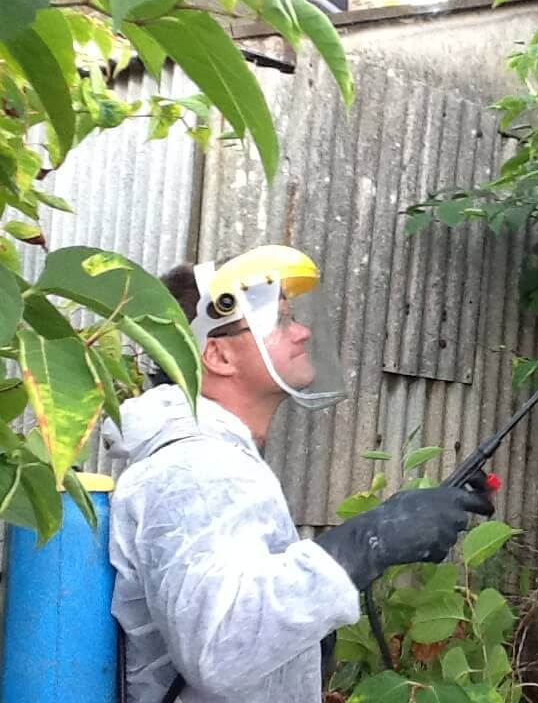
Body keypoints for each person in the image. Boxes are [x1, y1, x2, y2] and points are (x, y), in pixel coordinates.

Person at [105, 245, 494, 702]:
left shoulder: (212, 460)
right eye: (280, 320)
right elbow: (220, 647)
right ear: (218, 355)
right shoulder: (197, 469)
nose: (303, 331)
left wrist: (396, 532)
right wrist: (371, 541)